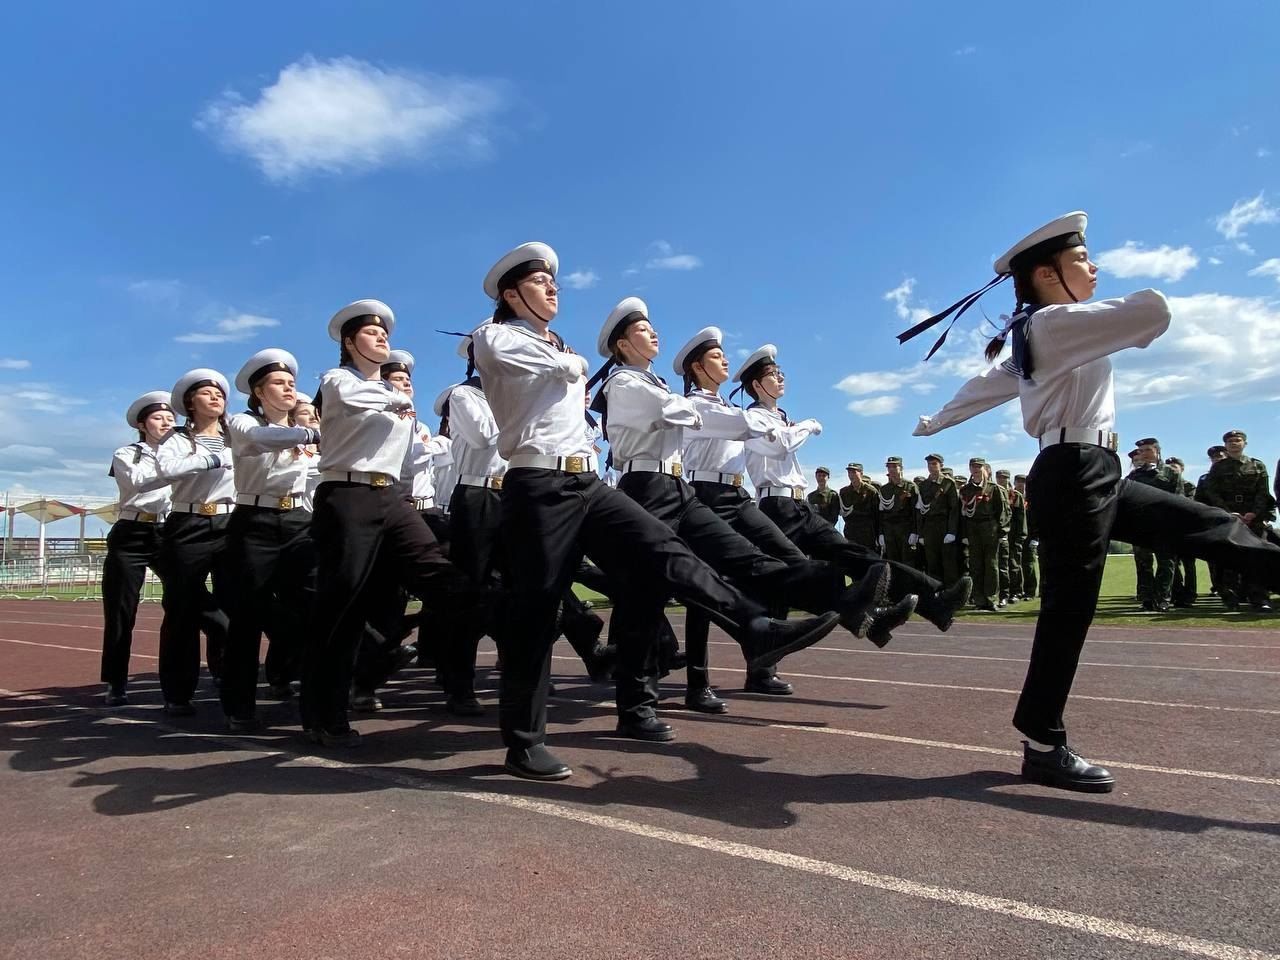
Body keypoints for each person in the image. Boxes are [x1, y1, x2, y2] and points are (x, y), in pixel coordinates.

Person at [906, 210, 1280, 791]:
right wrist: (939, 421)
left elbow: (990, 384)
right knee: (1069, 608)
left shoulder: (1040, 332)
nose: (1095, 266)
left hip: (1094, 468)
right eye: (1082, 259)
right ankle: (1041, 740)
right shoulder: (1055, 326)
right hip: (1074, 471)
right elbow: (1155, 311)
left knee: (1208, 527)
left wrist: (937, 420)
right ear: (1048, 275)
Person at [472, 243, 841, 781]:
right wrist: (570, 364)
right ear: (511, 294)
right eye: (539, 281)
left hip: (586, 480)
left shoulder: (556, 346)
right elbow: (527, 362)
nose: (553, 288)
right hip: (537, 485)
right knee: (536, 610)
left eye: (555, 280)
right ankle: (524, 742)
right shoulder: (496, 336)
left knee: (662, 548)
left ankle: (754, 625)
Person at [593, 304, 905, 731]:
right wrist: (735, 420)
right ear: (623, 345)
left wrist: (747, 423)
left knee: (744, 558)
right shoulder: (624, 382)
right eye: (644, 331)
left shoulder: (657, 385)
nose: (654, 335)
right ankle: (636, 707)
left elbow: (710, 421)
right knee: (643, 600)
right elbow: (680, 414)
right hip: (645, 491)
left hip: (680, 490)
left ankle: (841, 599)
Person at [303, 299, 483, 747]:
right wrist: (397, 397)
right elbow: (350, 398)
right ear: (349, 342)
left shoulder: (395, 399)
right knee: (341, 606)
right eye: (371, 332)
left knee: (443, 578)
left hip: (390, 497)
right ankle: (322, 713)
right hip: (347, 495)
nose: (383, 337)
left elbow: (406, 458)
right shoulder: (339, 379)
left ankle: (410, 657)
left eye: (386, 332)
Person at [735, 343, 971, 631]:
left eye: (780, 372)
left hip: (798, 506)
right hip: (776, 508)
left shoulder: (780, 418)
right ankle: (764, 662)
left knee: (857, 556)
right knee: (783, 584)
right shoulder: (754, 419)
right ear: (757, 385)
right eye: (773, 374)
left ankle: (933, 601)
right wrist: (808, 425)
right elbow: (782, 444)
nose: (781, 377)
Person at [219, 349, 320, 731]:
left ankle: (316, 708)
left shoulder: (302, 429)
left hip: (298, 519)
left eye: (291, 382)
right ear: (259, 392)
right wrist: (312, 432)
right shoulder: (243, 422)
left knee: (314, 609)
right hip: (255, 521)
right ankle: (239, 707)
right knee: (246, 619)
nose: (289, 386)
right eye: (278, 383)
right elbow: (262, 440)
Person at [155, 369, 237, 715]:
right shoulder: (176, 439)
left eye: (219, 392)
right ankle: (178, 691)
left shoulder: (239, 435)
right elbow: (165, 469)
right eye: (206, 393)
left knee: (234, 604)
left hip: (231, 521)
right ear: (190, 402)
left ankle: (229, 680)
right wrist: (210, 459)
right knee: (181, 607)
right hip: (189, 522)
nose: (216, 397)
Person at [100, 391, 175, 706]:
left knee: (185, 602)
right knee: (121, 611)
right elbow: (139, 481)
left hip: (167, 530)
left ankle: (177, 681)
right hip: (131, 531)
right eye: (159, 418)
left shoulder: (182, 454)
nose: (166, 423)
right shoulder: (127, 454)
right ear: (143, 424)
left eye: (171, 418)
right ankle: (116, 682)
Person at [1201, 429, 1276, 612]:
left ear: (1245, 443)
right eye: (1230, 441)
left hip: (1253, 518)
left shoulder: (1257, 465)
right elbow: (1212, 492)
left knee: (1257, 557)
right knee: (1230, 558)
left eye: (1237, 440)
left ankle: (1259, 598)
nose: (1234, 444)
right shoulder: (1218, 467)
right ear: (1226, 446)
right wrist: (1229, 512)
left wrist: (1254, 513)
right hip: (1230, 517)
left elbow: (1263, 492)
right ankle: (1231, 597)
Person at [1126, 437, 1180, 611]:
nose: (1144, 454)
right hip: (1141, 526)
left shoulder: (1171, 473)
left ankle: (1163, 598)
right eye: (1141, 451)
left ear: (1157, 451)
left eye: (1148, 450)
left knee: (1166, 563)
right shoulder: (1134, 475)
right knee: (1143, 564)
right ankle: (1147, 599)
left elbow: (1179, 500)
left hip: (1164, 525)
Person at [959, 459, 1009, 610]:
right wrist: (964, 534)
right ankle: (979, 599)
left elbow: (1003, 511)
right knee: (975, 565)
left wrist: (1002, 531)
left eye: (978, 467)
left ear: (983, 469)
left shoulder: (993, 488)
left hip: (989, 528)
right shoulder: (966, 490)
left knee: (991, 565)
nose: (975, 469)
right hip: (973, 527)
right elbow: (962, 514)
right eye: (973, 467)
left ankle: (991, 598)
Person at [915, 453, 960, 587]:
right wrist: (921, 533)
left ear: (941, 465)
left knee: (948, 562)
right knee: (932, 562)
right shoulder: (923, 485)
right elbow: (920, 510)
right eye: (929, 464)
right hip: (929, 526)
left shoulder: (948, 483)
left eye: (934, 464)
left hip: (944, 524)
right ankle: (936, 592)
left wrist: (952, 531)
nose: (931, 467)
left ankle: (951, 592)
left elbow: (954, 509)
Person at [1164, 457, 1198, 607]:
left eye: (1175, 467)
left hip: (1188, 530)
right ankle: (1177, 594)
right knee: (1173, 564)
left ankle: (1190, 594)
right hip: (1170, 529)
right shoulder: (1164, 486)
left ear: (1182, 469)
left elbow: (1192, 505)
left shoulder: (1189, 486)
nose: (1173, 470)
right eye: (1169, 467)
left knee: (1189, 565)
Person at [877, 457, 918, 563]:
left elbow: (916, 512)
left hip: (905, 529)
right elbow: (881, 514)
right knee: (893, 563)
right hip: (889, 530)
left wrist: (915, 531)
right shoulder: (884, 489)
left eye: (895, 466)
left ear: (901, 468)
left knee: (908, 562)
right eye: (889, 467)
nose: (891, 470)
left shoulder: (910, 487)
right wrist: (881, 533)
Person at [998, 468, 1028, 602]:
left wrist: (1021, 536)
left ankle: (1016, 591)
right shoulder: (995, 493)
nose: (1001, 480)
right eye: (999, 478)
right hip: (1001, 534)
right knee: (1002, 565)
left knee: (1014, 563)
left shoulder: (1015, 495)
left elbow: (1022, 518)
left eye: (1004, 478)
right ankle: (1005, 592)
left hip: (1014, 534)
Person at [838, 462, 879, 548]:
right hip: (851, 531)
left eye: (854, 472)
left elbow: (876, 514)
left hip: (867, 532)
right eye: (849, 472)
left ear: (861, 473)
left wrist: (878, 534)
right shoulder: (844, 492)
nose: (851, 475)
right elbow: (843, 512)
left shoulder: (871, 491)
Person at [1014, 473, 1038, 598]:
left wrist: (1035, 538)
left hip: (1029, 535)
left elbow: (1036, 519)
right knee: (1015, 564)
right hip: (1016, 536)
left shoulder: (1031, 498)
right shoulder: (1011, 497)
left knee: (1028, 564)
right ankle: (1017, 590)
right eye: (1018, 481)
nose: (1020, 484)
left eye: (1023, 481)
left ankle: (1030, 591)